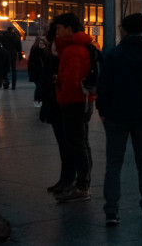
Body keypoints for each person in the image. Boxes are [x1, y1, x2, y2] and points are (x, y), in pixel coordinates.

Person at [96, 12, 142, 226]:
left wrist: (103, 111)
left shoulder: (114, 56)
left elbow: (104, 87)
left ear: (124, 30)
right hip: (141, 117)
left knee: (114, 163)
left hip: (116, 117)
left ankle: (112, 212)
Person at [51, 12, 96, 203]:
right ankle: (82, 182)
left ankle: (82, 185)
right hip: (84, 101)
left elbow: (70, 81)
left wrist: (61, 98)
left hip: (74, 102)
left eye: (59, 29)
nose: (56, 33)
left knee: (76, 143)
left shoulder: (73, 50)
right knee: (81, 142)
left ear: (69, 29)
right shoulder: (80, 47)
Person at [33, 24, 75, 194]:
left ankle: (69, 178)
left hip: (61, 103)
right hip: (56, 102)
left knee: (67, 144)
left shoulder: (63, 55)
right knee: (65, 144)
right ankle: (66, 178)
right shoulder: (54, 54)